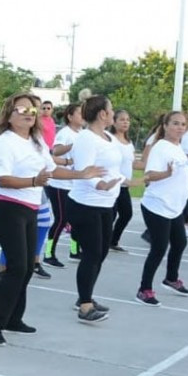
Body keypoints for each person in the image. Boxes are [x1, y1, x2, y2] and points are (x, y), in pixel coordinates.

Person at [0, 93, 103, 346]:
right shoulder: (6, 142)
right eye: (20, 109)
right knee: (17, 267)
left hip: (30, 207)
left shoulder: (35, 141)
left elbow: (52, 170)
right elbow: (3, 179)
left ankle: (13, 318)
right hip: (8, 208)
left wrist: (80, 174)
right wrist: (34, 181)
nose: (26, 113)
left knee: (25, 268)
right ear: (9, 114)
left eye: (31, 110)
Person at [136, 112, 188, 306]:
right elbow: (150, 175)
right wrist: (166, 173)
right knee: (159, 248)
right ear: (165, 125)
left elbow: (181, 177)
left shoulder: (179, 148)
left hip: (174, 208)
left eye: (183, 124)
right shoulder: (161, 147)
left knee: (180, 242)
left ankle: (171, 278)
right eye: (175, 123)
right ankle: (144, 289)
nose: (180, 127)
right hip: (157, 206)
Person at [67, 96, 123, 323]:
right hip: (85, 204)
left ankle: (85, 296)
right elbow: (83, 169)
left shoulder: (108, 137)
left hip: (106, 204)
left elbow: (114, 165)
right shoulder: (86, 139)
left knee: (101, 253)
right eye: (111, 109)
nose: (113, 112)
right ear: (102, 114)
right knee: (91, 254)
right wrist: (100, 185)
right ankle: (85, 305)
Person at [44, 103, 83, 267]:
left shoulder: (82, 133)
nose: (83, 116)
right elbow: (55, 151)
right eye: (80, 113)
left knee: (75, 219)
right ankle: (48, 254)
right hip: (59, 184)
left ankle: (74, 251)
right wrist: (74, 147)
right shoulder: (65, 134)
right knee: (61, 219)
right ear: (70, 116)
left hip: (74, 183)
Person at [108, 109, 138, 252]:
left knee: (126, 214)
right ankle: (105, 240)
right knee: (111, 215)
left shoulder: (129, 142)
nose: (126, 122)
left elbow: (133, 163)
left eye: (127, 119)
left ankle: (113, 240)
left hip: (124, 186)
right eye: (122, 119)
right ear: (114, 122)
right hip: (114, 184)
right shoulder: (111, 140)